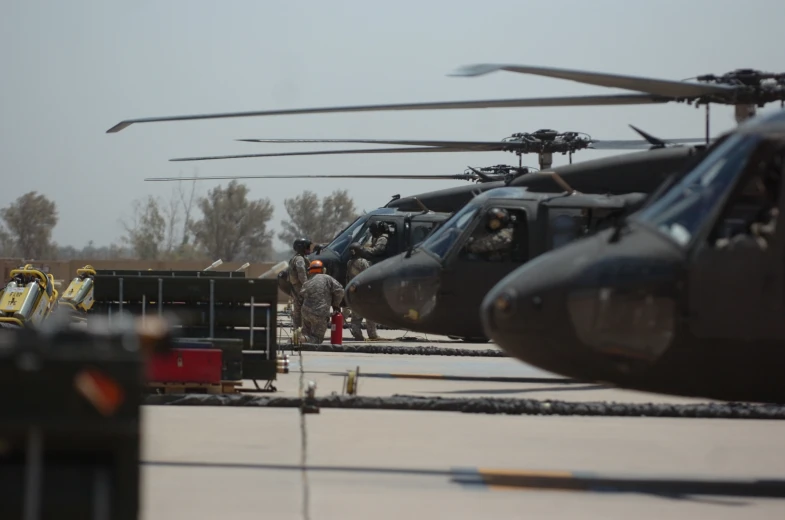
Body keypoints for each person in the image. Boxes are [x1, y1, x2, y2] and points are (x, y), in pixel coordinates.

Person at [300, 260, 345, 344]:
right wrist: (335, 304)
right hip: (319, 313)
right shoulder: (327, 278)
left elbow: (302, 293)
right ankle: (303, 340)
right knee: (317, 339)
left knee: (306, 333)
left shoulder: (307, 281)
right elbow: (340, 290)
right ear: (323, 269)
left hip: (305, 312)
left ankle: (300, 339)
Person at [345, 246, 380, 341]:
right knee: (370, 314)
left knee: (356, 316)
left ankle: (357, 334)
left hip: (354, 292)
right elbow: (368, 275)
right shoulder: (362, 262)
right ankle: (372, 334)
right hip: (364, 292)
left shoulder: (349, 263)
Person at [288, 237, 312, 328]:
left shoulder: (297, 258)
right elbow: (302, 274)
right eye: (307, 247)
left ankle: (298, 331)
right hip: (300, 288)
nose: (309, 249)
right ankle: (299, 331)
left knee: (298, 310)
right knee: (300, 311)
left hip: (297, 288)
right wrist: (308, 287)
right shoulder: (299, 259)